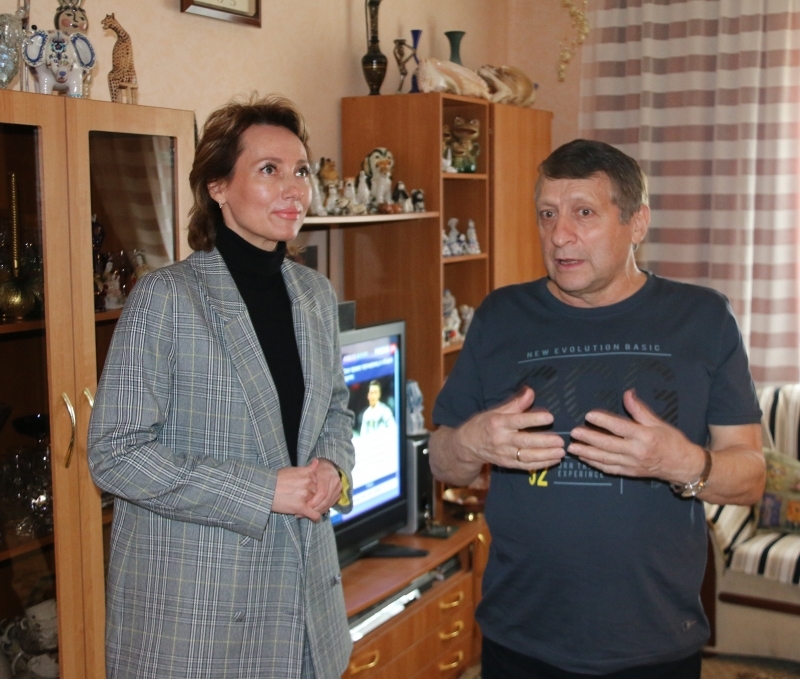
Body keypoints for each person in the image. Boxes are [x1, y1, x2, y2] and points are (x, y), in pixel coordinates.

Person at [429, 139, 766, 679]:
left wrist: (679, 462)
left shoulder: (703, 318)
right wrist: (472, 441)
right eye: (547, 214)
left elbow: (750, 477)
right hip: (521, 637)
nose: (559, 235)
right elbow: (444, 462)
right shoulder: (500, 316)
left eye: (583, 213)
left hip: (654, 641)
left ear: (637, 223)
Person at [88, 94, 355, 679]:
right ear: (218, 186)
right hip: (199, 620)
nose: (294, 189)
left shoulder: (314, 295)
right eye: (269, 170)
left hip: (304, 610)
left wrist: (334, 465)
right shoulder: (166, 298)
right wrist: (262, 491)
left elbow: (336, 407)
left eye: (301, 171)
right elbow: (115, 455)